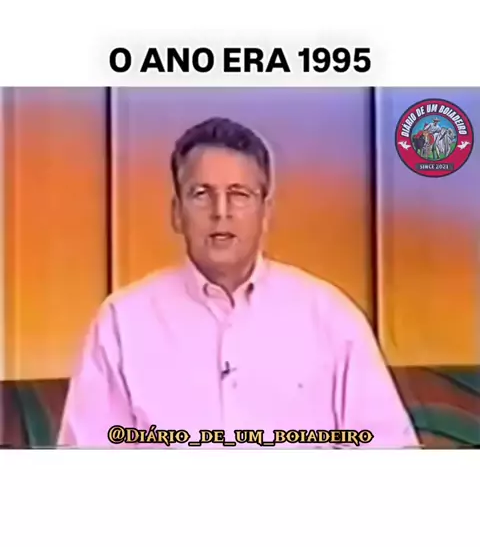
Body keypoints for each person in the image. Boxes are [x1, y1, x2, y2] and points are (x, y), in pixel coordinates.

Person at [58, 117, 419, 449]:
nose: (221, 212)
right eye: (201, 194)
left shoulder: (330, 317)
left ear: (266, 213)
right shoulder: (122, 322)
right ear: (176, 213)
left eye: (239, 195)